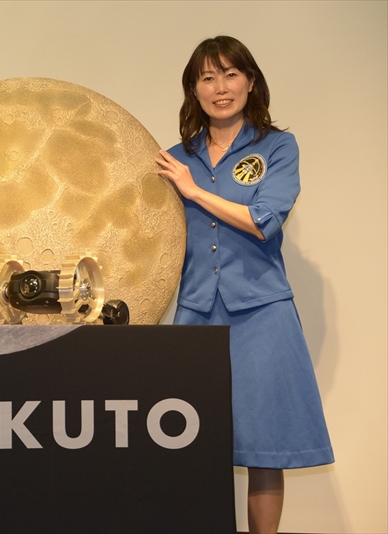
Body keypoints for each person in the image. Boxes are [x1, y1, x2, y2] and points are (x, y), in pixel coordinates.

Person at [155, 36, 333, 533]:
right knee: (186, 440)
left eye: (231, 74)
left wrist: (193, 191)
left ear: (251, 82)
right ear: (193, 89)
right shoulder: (175, 158)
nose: (220, 87)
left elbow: (263, 220)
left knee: (264, 446)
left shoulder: (277, 146)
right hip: (196, 314)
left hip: (262, 316)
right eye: (207, 77)